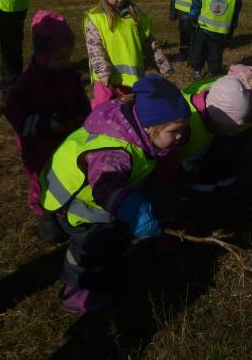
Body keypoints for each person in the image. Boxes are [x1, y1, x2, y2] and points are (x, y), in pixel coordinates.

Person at [38, 75, 191, 313]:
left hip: (92, 197)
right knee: (91, 246)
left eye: (184, 129)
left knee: (112, 237)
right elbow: (105, 186)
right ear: (149, 127)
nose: (181, 136)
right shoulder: (115, 151)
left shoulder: (140, 132)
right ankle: (76, 291)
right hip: (77, 203)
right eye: (174, 132)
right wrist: (136, 213)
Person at [4, 11, 91, 243]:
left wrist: (85, 119)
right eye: (60, 58)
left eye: (68, 57)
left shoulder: (69, 75)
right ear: (43, 55)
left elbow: (82, 103)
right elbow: (15, 114)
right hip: (38, 145)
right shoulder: (27, 84)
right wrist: (46, 125)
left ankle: (67, 206)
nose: (67, 62)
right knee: (42, 179)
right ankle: (45, 212)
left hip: (66, 140)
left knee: (67, 173)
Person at [84, 0, 171, 107]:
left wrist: (162, 65)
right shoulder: (96, 18)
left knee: (130, 107)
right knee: (103, 106)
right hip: (106, 79)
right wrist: (103, 72)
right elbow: (94, 48)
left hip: (131, 79)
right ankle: (98, 129)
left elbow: (149, 43)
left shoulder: (136, 15)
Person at [178, 65, 252, 196]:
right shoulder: (187, 121)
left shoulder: (241, 102)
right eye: (232, 127)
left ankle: (220, 181)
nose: (236, 130)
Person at [189, 0, 243, 78]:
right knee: (198, 52)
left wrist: (232, 28)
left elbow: (235, 12)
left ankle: (214, 73)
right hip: (202, 29)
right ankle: (197, 70)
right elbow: (196, 2)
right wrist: (193, 16)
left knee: (215, 56)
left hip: (219, 33)